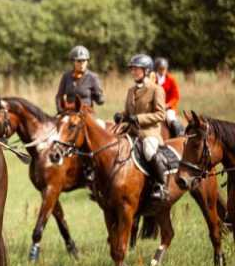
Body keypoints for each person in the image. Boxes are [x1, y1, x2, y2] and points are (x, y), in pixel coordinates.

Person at [114, 54, 169, 200]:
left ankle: (161, 185)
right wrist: (120, 115)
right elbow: (128, 111)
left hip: (149, 133)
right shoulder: (131, 91)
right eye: (132, 69)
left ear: (146, 71)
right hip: (131, 131)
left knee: (149, 150)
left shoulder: (156, 89)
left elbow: (160, 115)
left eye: (136, 69)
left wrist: (138, 118)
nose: (133, 72)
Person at [55, 45, 105, 113]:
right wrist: (60, 110)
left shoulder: (93, 77)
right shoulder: (66, 76)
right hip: (69, 112)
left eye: (84, 61)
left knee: (100, 124)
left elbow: (100, 101)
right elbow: (59, 96)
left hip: (86, 114)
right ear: (74, 61)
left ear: (87, 61)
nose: (81, 64)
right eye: (79, 61)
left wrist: (99, 97)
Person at [155, 57, 183, 136]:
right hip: (154, 107)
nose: (163, 71)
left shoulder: (171, 79)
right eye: (160, 69)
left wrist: (167, 105)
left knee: (171, 118)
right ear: (157, 69)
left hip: (168, 108)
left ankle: (180, 135)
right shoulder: (153, 79)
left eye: (164, 69)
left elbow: (176, 96)